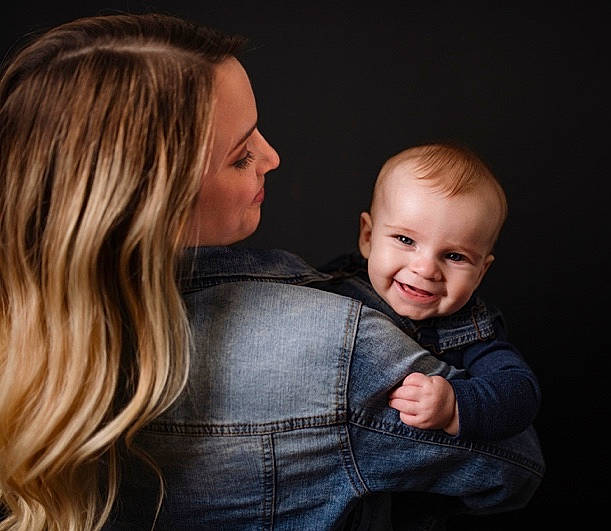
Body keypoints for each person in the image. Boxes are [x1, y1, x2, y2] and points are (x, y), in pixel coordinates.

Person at [0, 13, 543, 530]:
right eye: (241, 155)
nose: (273, 156)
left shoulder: (21, 342)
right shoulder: (342, 350)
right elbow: (513, 470)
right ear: (152, 197)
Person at [320, 143, 540, 441]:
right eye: (405, 240)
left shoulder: (471, 331)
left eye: (454, 257)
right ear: (368, 237)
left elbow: (520, 392)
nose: (425, 270)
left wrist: (453, 405)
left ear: (481, 272)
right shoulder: (331, 284)